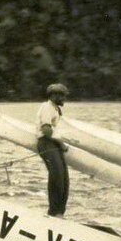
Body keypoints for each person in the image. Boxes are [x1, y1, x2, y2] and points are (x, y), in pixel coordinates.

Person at [36, 83, 70, 217]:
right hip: (47, 143)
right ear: (54, 96)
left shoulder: (56, 109)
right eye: (62, 96)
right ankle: (53, 211)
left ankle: (60, 212)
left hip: (53, 144)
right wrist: (61, 144)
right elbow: (46, 130)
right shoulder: (47, 107)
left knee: (64, 178)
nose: (64, 99)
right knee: (56, 176)